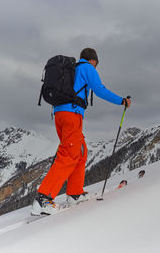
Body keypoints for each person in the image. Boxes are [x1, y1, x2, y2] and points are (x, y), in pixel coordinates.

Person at [31, 48, 131, 215]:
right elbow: (99, 90)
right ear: (93, 61)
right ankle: (43, 199)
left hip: (61, 114)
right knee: (69, 153)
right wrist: (121, 101)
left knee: (80, 151)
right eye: (96, 64)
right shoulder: (87, 68)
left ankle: (75, 193)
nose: (96, 67)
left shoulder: (74, 69)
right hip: (71, 114)